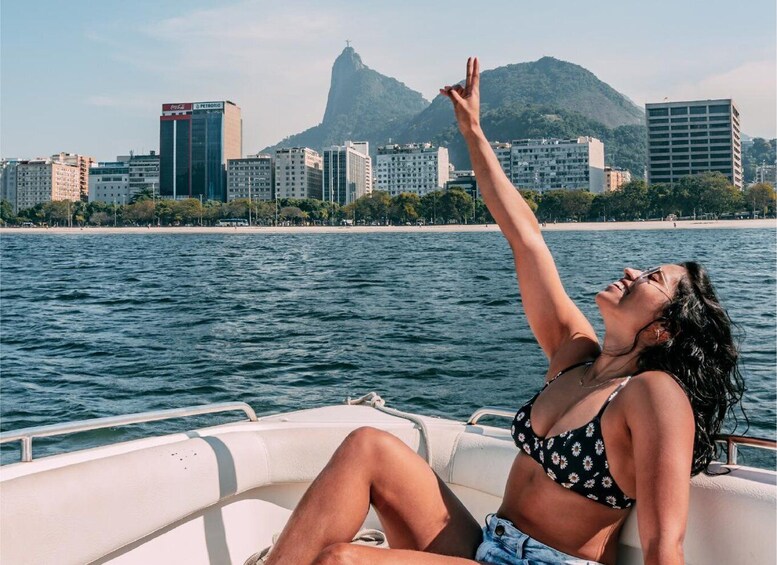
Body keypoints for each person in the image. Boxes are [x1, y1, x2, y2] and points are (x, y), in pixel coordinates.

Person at [253, 58, 744, 565]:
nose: (631, 271)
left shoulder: (654, 395)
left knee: (343, 560)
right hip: (490, 546)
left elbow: (666, 544)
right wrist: (473, 133)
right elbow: (526, 238)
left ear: (664, 329)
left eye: (652, 280)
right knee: (367, 446)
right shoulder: (573, 355)